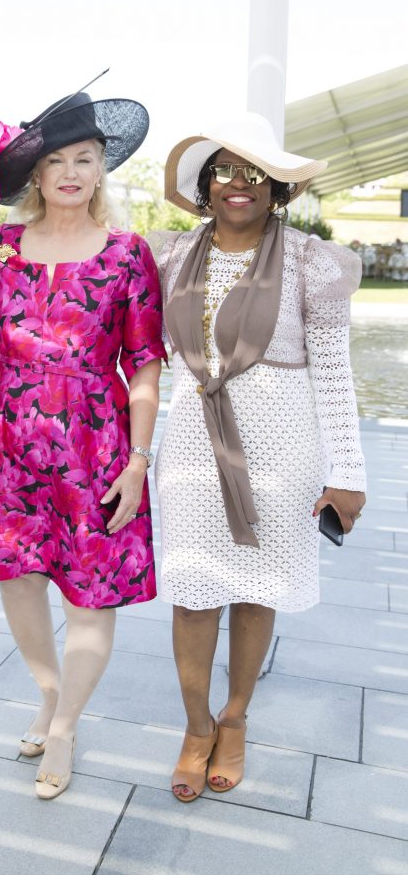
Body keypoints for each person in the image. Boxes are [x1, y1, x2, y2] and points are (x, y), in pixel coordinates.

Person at [0, 85, 165, 799]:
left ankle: (66, 724)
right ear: (35, 177)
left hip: (94, 447)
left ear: (102, 169)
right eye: (57, 162)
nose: (71, 171)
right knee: (18, 578)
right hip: (7, 444)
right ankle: (48, 693)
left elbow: (143, 364)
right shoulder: (2, 248)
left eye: (86, 158)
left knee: (89, 594)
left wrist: (137, 460)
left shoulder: (128, 255)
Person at [148, 113, 367, 803]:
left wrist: (348, 474)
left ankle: (234, 718)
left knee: (252, 590)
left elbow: (333, 373)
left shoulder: (311, 261)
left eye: (254, 174)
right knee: (190, 593)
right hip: (187, 446)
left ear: (276, 190)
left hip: (281, 448)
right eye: (223, 172)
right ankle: (194, 725)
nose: (236, 185)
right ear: (205, 187)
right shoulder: (166, 256)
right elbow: (142, 361)